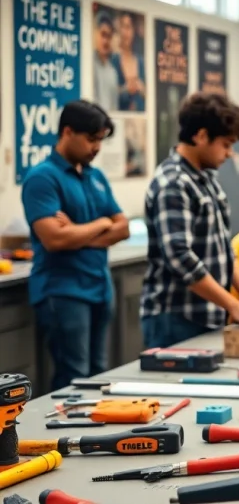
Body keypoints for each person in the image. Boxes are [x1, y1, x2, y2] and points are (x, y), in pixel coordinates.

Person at [141, 92, 239, 349]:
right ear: (201, 136)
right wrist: (234, 305)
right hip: (176, 318)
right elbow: (180, 258)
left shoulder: (206, 179)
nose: (230, 153)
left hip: (207, 315)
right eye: (226, 144)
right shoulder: (174, 183)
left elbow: (225, 250)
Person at [21, 101, 128, 390]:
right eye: (91, 139)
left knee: (98, 374)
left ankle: (91, 436)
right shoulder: (42, 178)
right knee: (74, 376)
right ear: (68, 132)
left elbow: (123, 227)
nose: (97, 147)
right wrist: (100, 224)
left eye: (101, 140)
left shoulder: (95, 176)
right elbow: (54, 239)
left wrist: (77, 232)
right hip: (63, 293)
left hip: (99, 287)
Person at [114, 12, 145, 112]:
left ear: (133, 31)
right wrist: (125, 89)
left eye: (128, 27)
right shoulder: (114, 60)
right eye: (123, 27)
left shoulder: (141, 62)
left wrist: (142, 89)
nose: (125, 32)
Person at [92, 12, 119, 113]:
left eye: (109, 36)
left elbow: (114, 107)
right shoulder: (89, 66)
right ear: (95, 34)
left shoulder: (112, 72)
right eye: (103, 35)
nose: (106, 41)